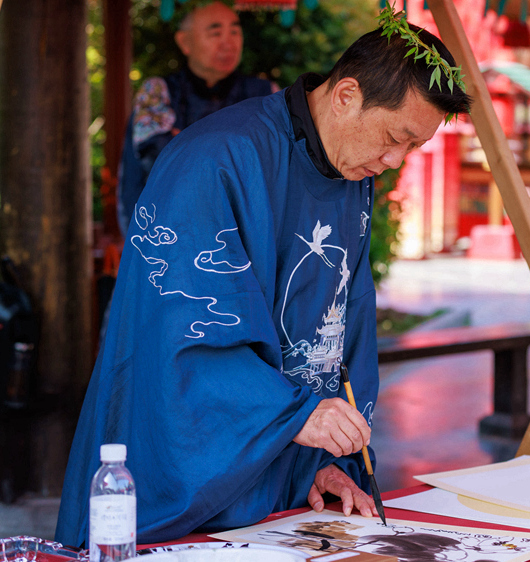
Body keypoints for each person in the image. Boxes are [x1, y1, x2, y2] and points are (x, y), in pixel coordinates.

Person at [54, 15, 471, 548]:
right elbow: (185, 338)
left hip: (283, 483)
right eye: (394, 138)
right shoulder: (214, 161)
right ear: (346, 95)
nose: (394, 161)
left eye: (412, 148)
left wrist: (322, 461)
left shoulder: (350, 169)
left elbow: (340, 329)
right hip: (185, 479)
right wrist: (299, 416)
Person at [117, 0, 276, 235]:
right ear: (185, 42)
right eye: (215, 33)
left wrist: (185, 142)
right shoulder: (158, 92)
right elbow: (156, 165)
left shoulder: (266, 95)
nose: (228, 42)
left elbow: (276, 170)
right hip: (170, 232)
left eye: (235, 31)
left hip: (248, 234)